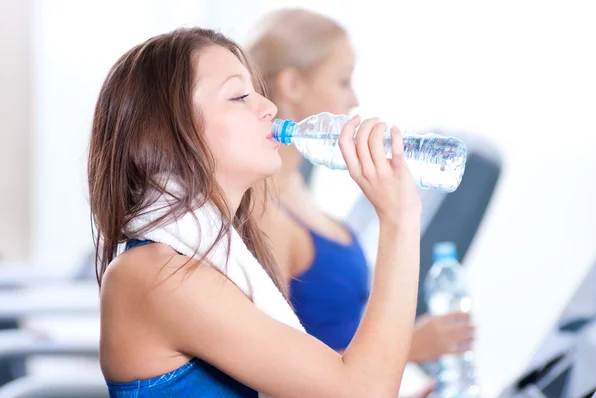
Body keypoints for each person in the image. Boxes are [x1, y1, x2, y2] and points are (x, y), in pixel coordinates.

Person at [88, 26, 421, 397]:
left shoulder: (214, 258)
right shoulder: (159, 275)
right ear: (168, 133)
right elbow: (363, 392)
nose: (269, 107)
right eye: (240, 96)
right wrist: (400, 220)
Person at [247, 8, 474, 364]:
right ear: (292, 84)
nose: (353, 100)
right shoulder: (262, 211)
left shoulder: (296, 192)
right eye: (342, 81)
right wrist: (410, 348)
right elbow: (272, 373)